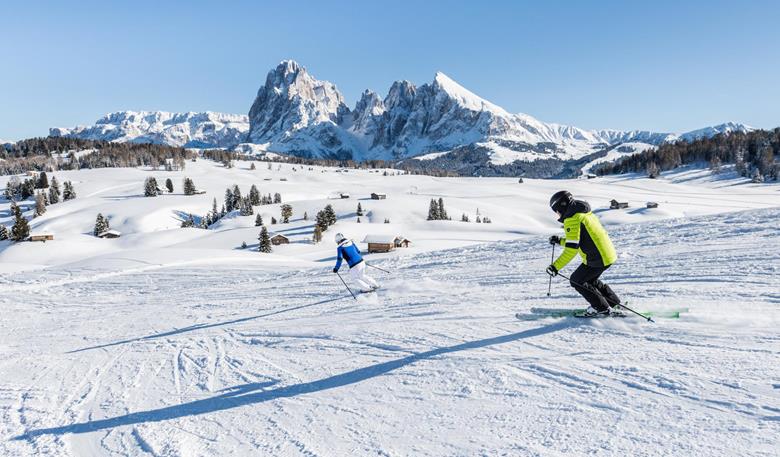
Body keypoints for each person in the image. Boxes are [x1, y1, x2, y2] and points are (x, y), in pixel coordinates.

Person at [546, 190, 621, 316]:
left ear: (561, 206)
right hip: (606, 254)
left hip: (598, 258)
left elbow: (571, 249)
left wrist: (555, 267)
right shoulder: (583, 213)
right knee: (590, 280)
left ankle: (602, 308)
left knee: (576, 280)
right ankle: (614, 303)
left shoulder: (572, 219)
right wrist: (560, 241)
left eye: (556, 210)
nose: (557, 214)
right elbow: (577, 241)